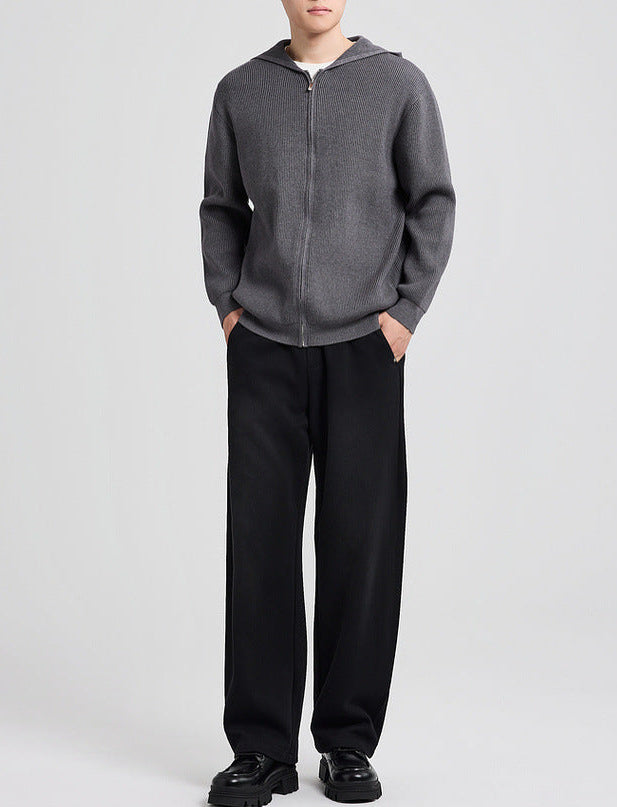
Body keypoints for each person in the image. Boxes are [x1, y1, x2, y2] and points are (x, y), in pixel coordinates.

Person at [198, 1, 455, 803]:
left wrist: (404, 314)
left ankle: (347, 740)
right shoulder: (241, 91)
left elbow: (434, 199)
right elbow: (220, 207)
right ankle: (260, 746)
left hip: (364, 348)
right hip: (265, 347)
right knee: (260, 545)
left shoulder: (398, 86)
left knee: (361, 544)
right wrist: (230, 308)